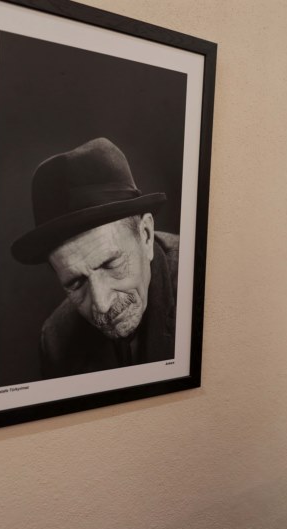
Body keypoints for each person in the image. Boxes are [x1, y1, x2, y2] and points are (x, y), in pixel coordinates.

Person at [11, 137, 179, 379]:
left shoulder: (204, 285)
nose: (101, 303)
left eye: (111, 263)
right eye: (76, 283)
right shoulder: (56, 341)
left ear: (146, 235)